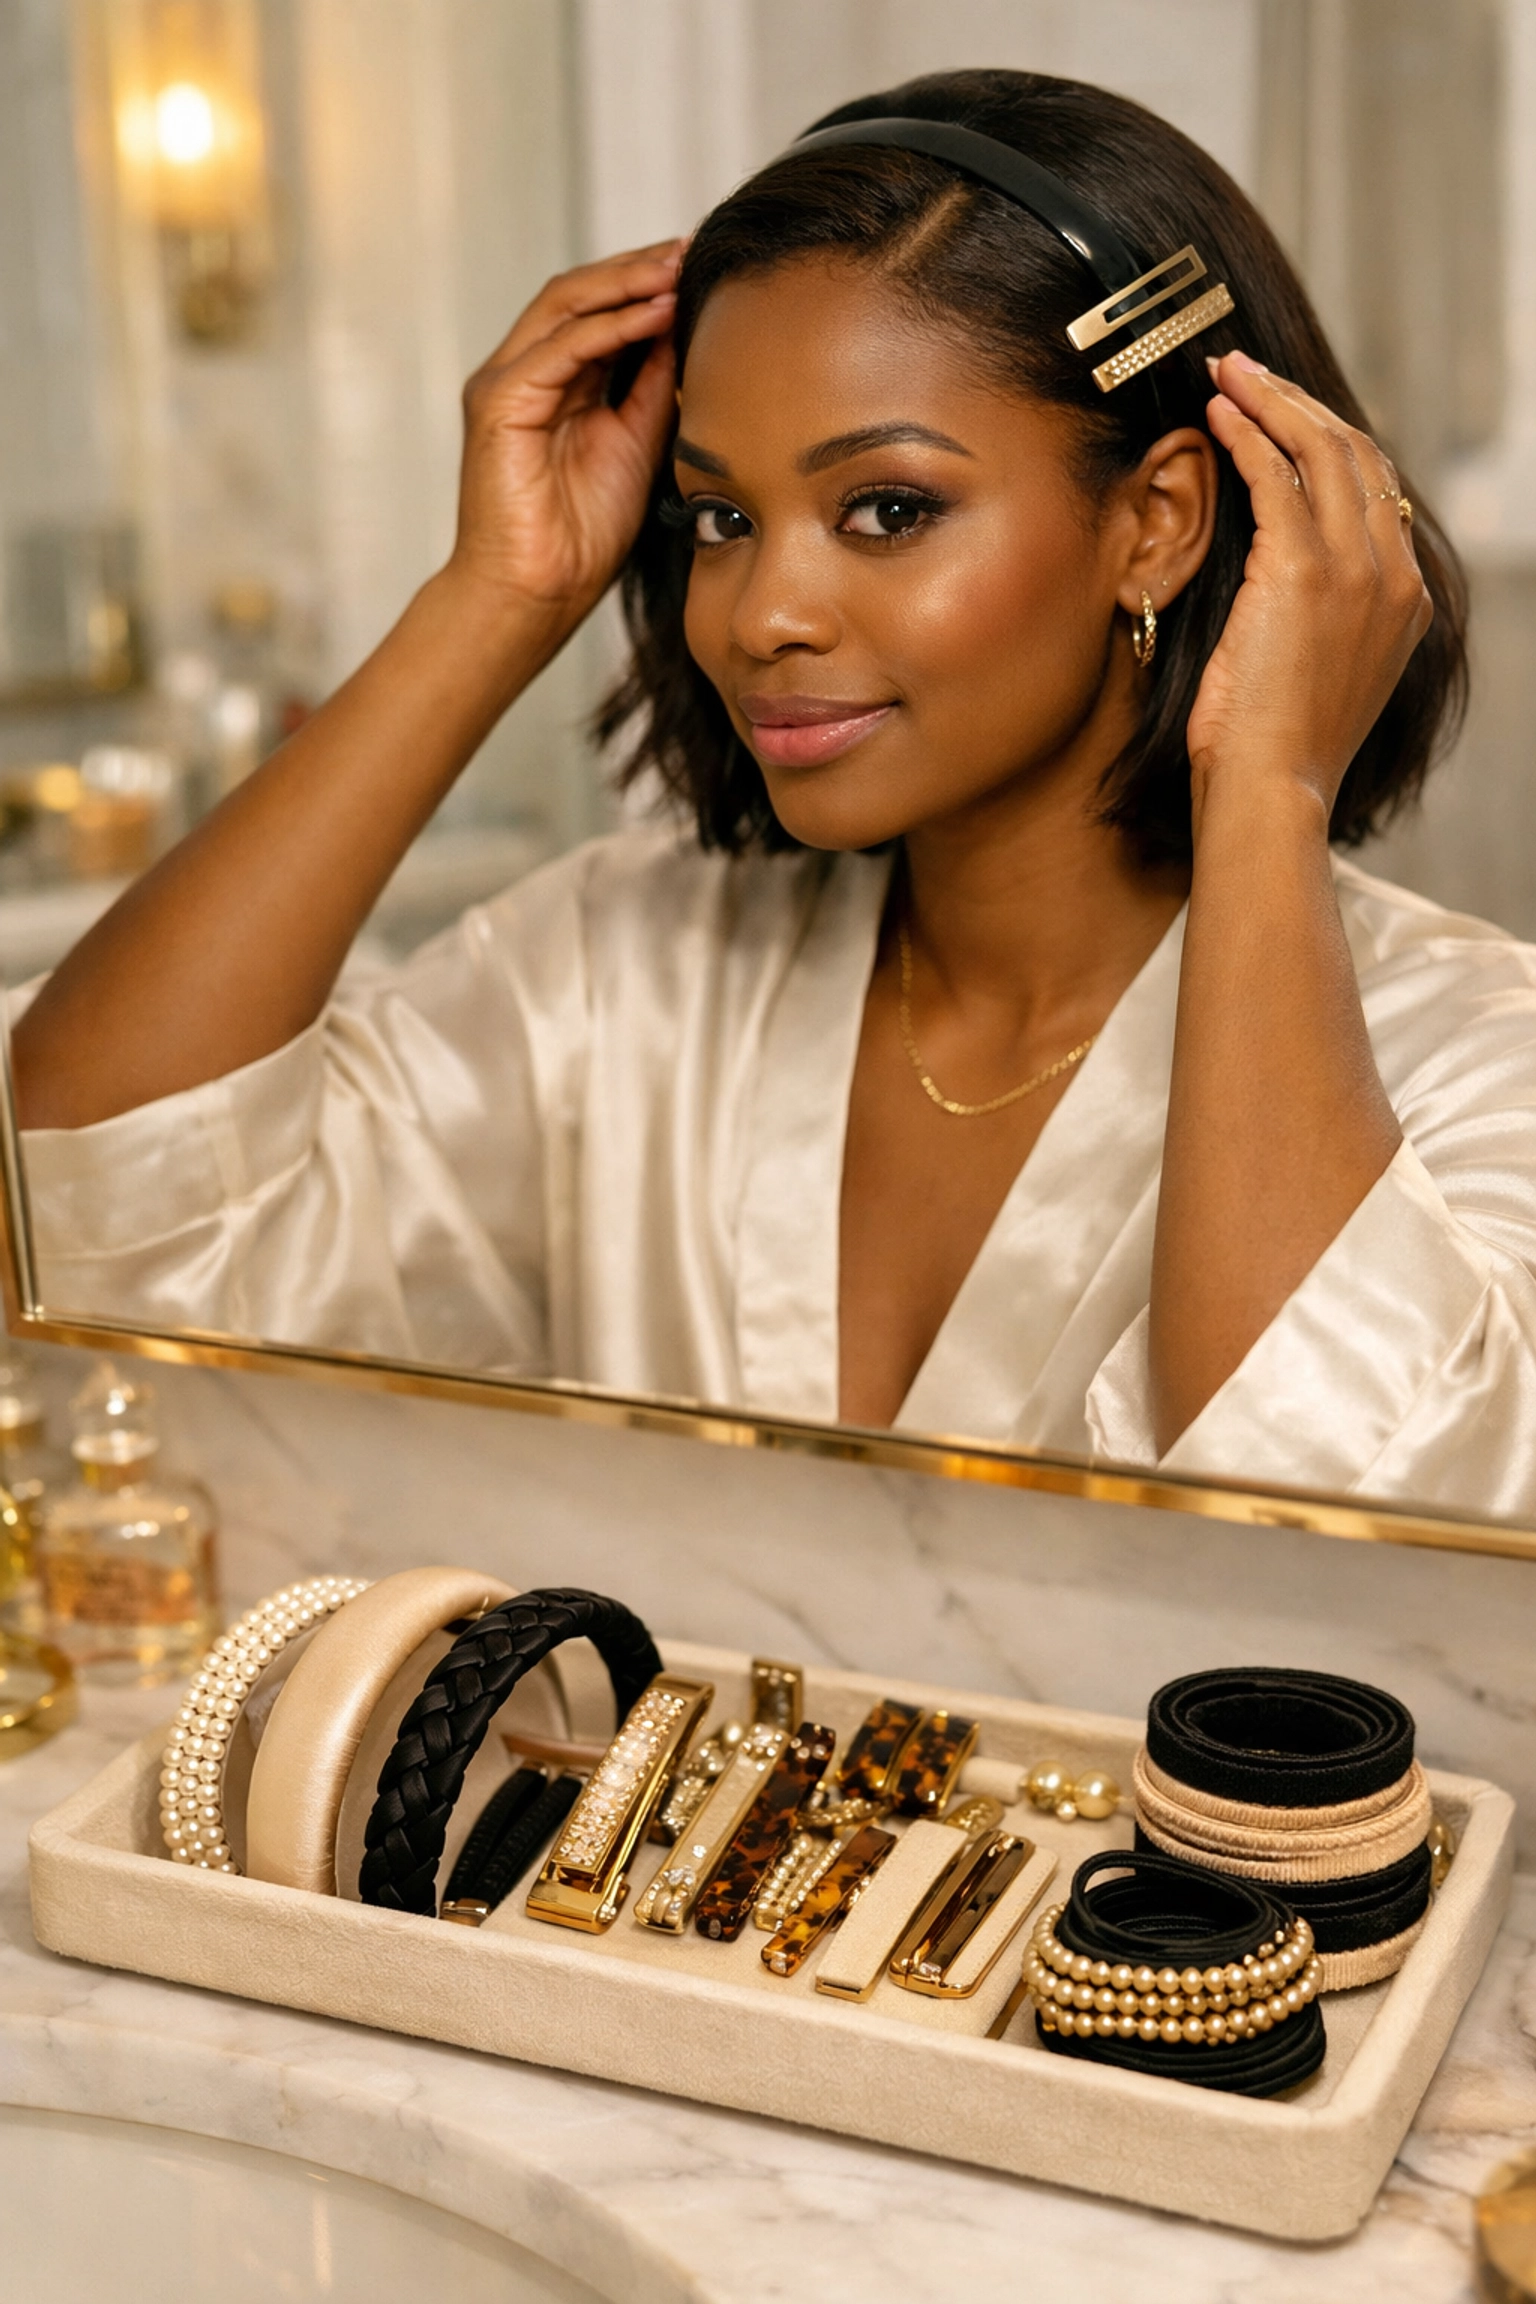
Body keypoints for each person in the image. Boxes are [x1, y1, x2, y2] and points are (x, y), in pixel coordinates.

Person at [15, 70, 1536, 1516]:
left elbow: (1355, 1559)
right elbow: (104, 1209)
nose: (756, 617)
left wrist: (1267, 782)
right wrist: (496, 595)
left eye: (887, 508)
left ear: (1157, 524)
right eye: (721, 515)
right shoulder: (623, 977)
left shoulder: (1470, 1061)